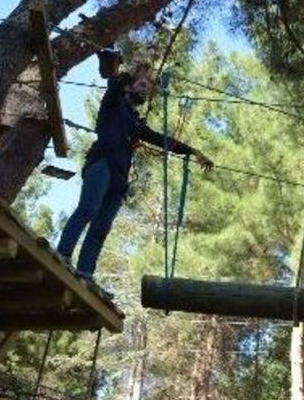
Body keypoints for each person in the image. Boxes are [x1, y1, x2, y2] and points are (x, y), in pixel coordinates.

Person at [56, 49, 212, 280]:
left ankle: (85, 272)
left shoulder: (136, 124)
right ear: (129, 85)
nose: (145, 89)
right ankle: (62, 254)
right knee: (88, 208)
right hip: (102, 163)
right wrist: (132, 73)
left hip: (119, 179)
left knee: (101, 228)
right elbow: (115, 84)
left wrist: (192, 151)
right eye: (142, 85)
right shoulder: (113, 103)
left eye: (148, 88)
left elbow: (161, 139)